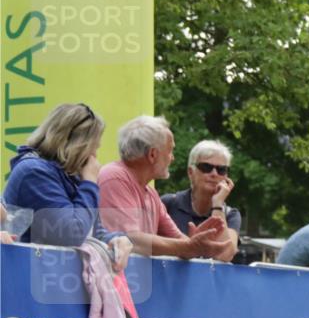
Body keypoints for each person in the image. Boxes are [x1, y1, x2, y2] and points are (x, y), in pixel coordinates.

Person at [2, 103, 131, 270]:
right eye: (93, 148)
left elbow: (93, 232)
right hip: (24, 282)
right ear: (77, 145)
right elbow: (72, 234)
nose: (95, 156)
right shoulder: (33, 172)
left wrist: (116, 240)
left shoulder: (71, 177)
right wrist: (90, 183)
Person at [98, 116, 228, 260]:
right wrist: (190, 246)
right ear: (153, 154)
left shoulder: (151, 194)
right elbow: (131, 239)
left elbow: (183, 244)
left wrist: (196, 243)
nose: (172, 158)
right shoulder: (114, 176)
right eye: (170, 150)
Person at [160, 140, 241, 262]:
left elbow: (224, 255)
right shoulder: (168, 204)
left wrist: (218, 205)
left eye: (221, 170)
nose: (214, 174)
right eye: (206, 167)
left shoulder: (230, 214)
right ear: (190, 172)